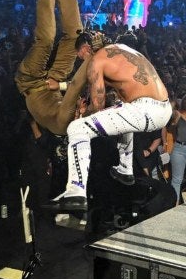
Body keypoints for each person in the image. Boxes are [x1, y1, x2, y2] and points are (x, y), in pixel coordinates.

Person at [42, 40, 172, 212]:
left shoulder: (97, 60)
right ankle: (125, 169)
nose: (82, 63)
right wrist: (60, 86)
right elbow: (86, 84)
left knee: (77, 128)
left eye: (81, 57)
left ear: (87, 49)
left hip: (144, 110)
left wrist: (83, 116)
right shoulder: (124, 50)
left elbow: (97, 105)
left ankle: (75, 193)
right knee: (121, 111)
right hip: (163, 107)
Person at [14, 0, 86, 136]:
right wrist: (61, 86)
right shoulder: (76, 119)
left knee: (46, 40)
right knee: (76, 38)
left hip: (31, 81)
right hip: (54, 79)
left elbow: (76, 88)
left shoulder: (64, 127)